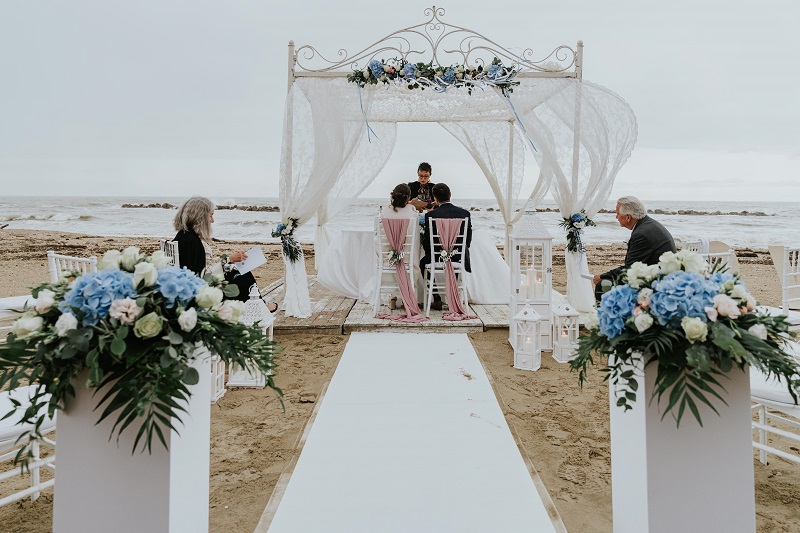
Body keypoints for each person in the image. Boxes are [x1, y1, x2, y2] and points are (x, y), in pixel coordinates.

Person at [172, 196, 277, 311]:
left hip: (194, 287)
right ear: (200, 217)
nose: (212, 220)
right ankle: (258, 307)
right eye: (211, 215)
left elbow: (198, 270)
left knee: (236, 268)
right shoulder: (191, 241)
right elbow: (202, 277)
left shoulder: (184, 236)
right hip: (201, 294)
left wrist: (229, 261)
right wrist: (228, 260)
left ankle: (259, 304)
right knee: (241, 274)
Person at [593, 196, 676, 298]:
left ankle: (606, 313)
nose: (616, 217)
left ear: (628, 217)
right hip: (662, 274)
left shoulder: (641, 234)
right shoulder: (649, 224)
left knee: (602, 284)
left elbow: (630, 268)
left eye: (617, 214)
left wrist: (603, 276)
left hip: (658, 281)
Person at [420, 183, 472, 310]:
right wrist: (457, 251)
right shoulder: (464, 213)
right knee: (456, 259)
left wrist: (432, 254)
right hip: (457, 255)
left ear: (435, 199)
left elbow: (427, 241)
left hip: (437, 255)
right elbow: (468, 239)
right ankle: (452, 298)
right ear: (450, 195)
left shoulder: (430, 216)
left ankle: (436, 298)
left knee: (423, 263)